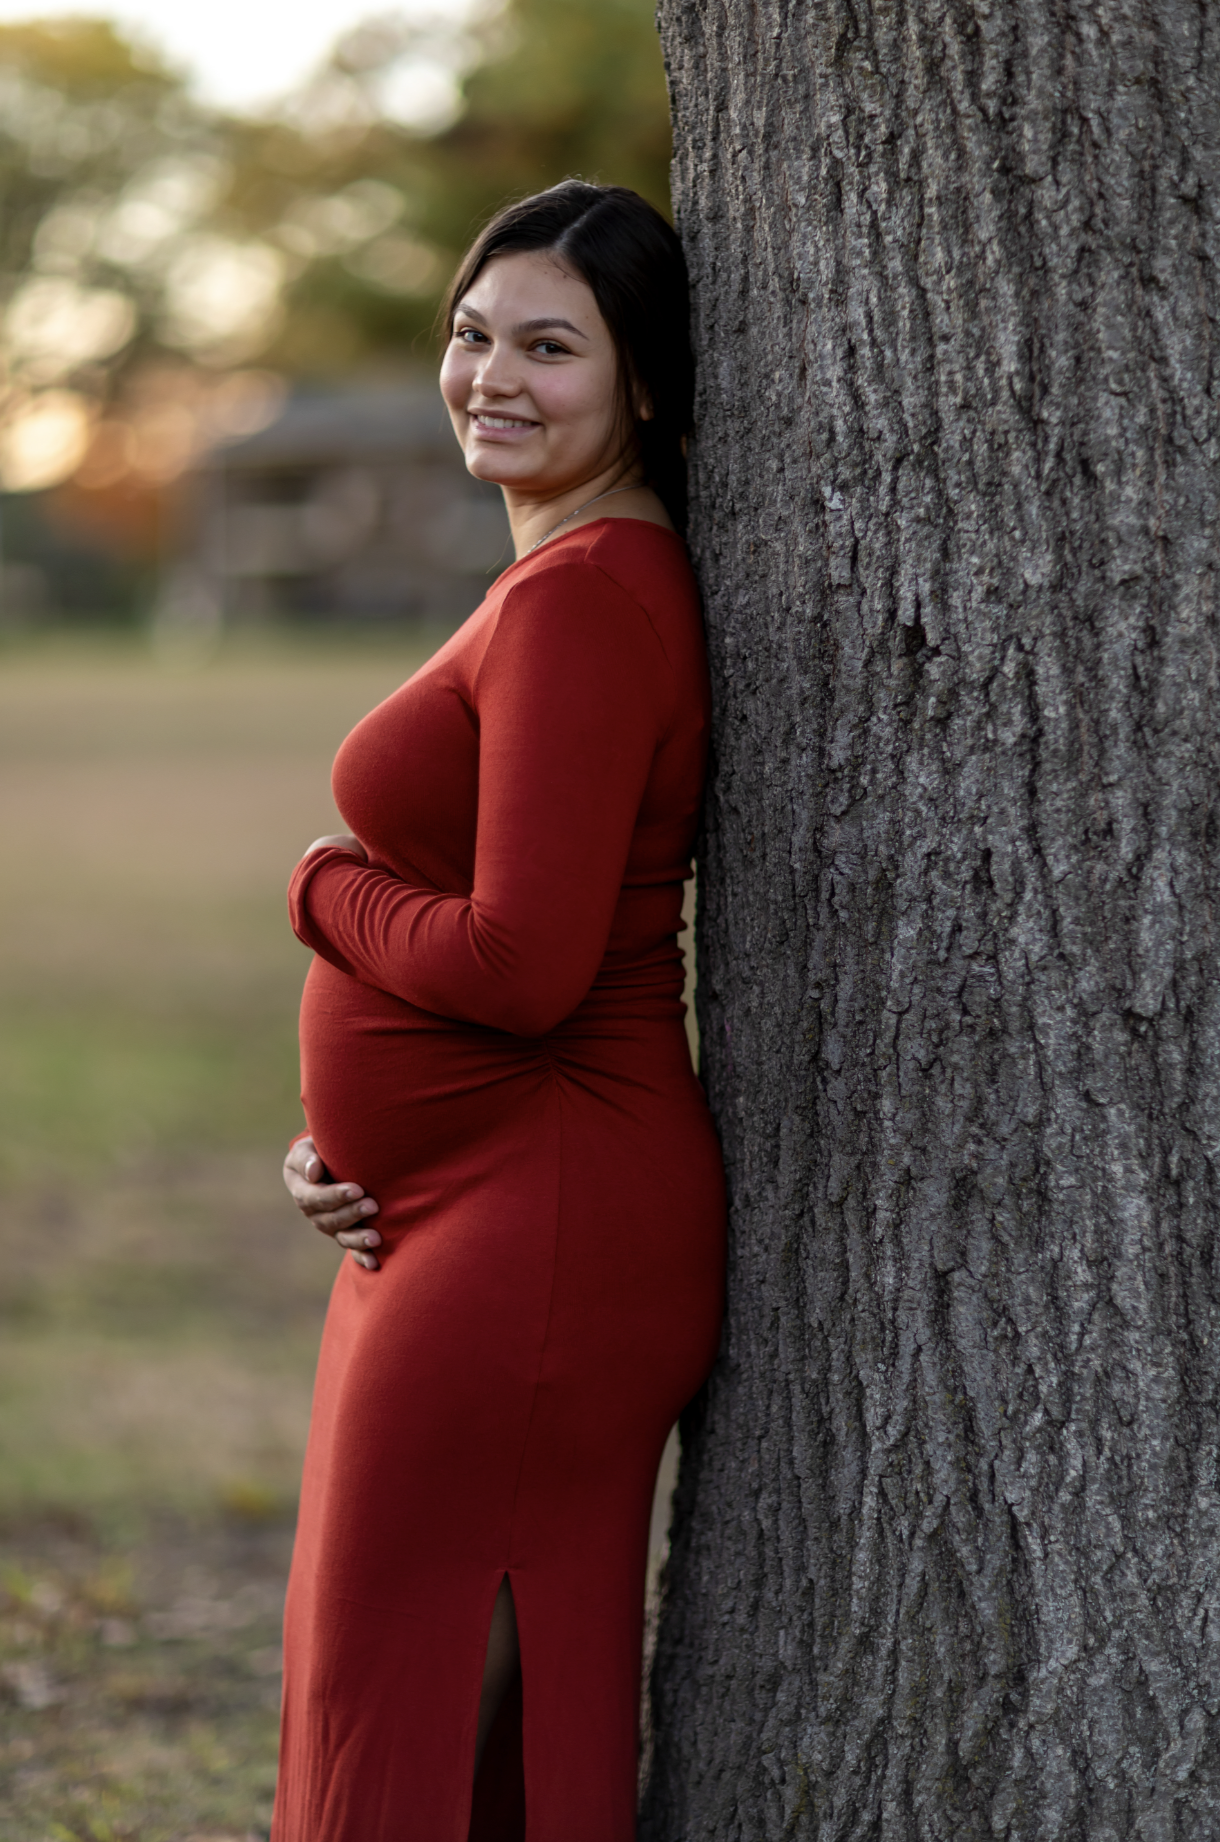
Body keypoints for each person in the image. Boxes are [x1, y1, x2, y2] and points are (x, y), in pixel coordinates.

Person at [273, 179, 726, 1842]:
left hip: (539, 1237)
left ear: (646, 388)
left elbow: (524, 968)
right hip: (478, 1212)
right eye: (474, 336)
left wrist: (319, 892)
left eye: (552, 347)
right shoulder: (567, 582)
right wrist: (353, 1138)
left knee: (415, 1708)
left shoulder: (587, 602)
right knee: (436, 1708)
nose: (492, 378)